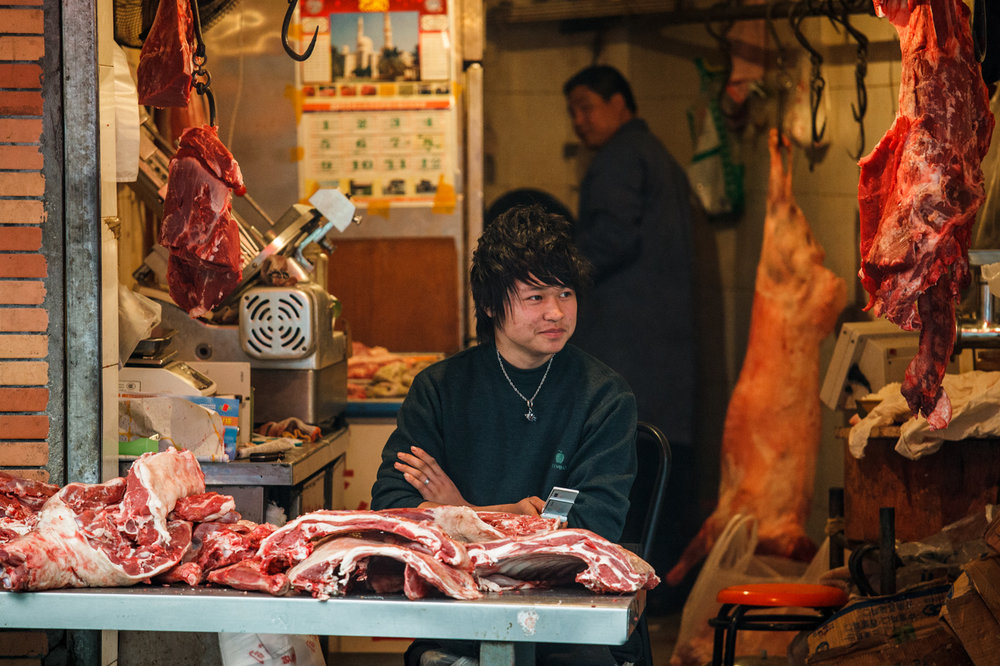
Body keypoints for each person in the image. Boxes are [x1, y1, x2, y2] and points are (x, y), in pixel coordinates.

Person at [371, 203, 638, 666]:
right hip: (456, 613)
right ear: (492, 304)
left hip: (566, 621)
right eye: (535, 297)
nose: (556, 312)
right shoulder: (439, 389)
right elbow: (392, 511)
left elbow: (590, 531)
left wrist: (461, 513)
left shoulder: (605, 396)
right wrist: (509, 515)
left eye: (566, 293)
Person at [563, 64, 697, 456]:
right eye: (572, 112)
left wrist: (553, 274)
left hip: (628, 345)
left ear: (619, 103)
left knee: (629, 461)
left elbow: (611, 236)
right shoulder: (655, 153)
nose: (578, 121)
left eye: (586, 107)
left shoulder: (620, 156)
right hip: (658, 350)